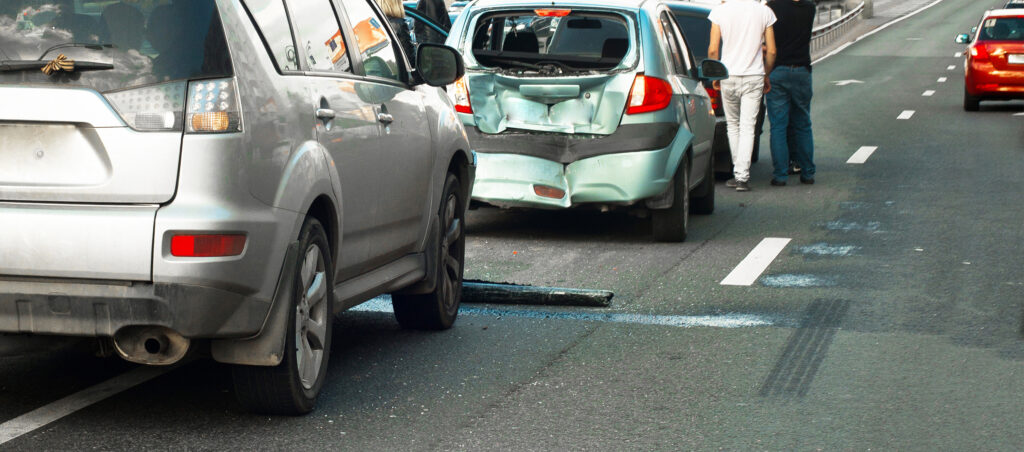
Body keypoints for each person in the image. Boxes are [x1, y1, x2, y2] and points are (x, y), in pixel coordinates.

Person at [708, 0, 777, 192]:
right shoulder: (764, 11)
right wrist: (766, 74)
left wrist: (715, 73)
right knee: (748, 126)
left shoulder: (720, 11)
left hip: (728, 75)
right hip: (754, 75)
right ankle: (742, 177)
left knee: (733, 125)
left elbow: (713, 49)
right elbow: (771, 51)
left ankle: (739, 174)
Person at [765, 0, 816, 185]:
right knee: (803, 123)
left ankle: (780, 175)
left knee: (778, 126)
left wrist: (766, 72)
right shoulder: (810, 8)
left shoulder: (773, 7)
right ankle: (808, 172)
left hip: (778, 70)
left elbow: (769, 43)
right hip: (802, 70)